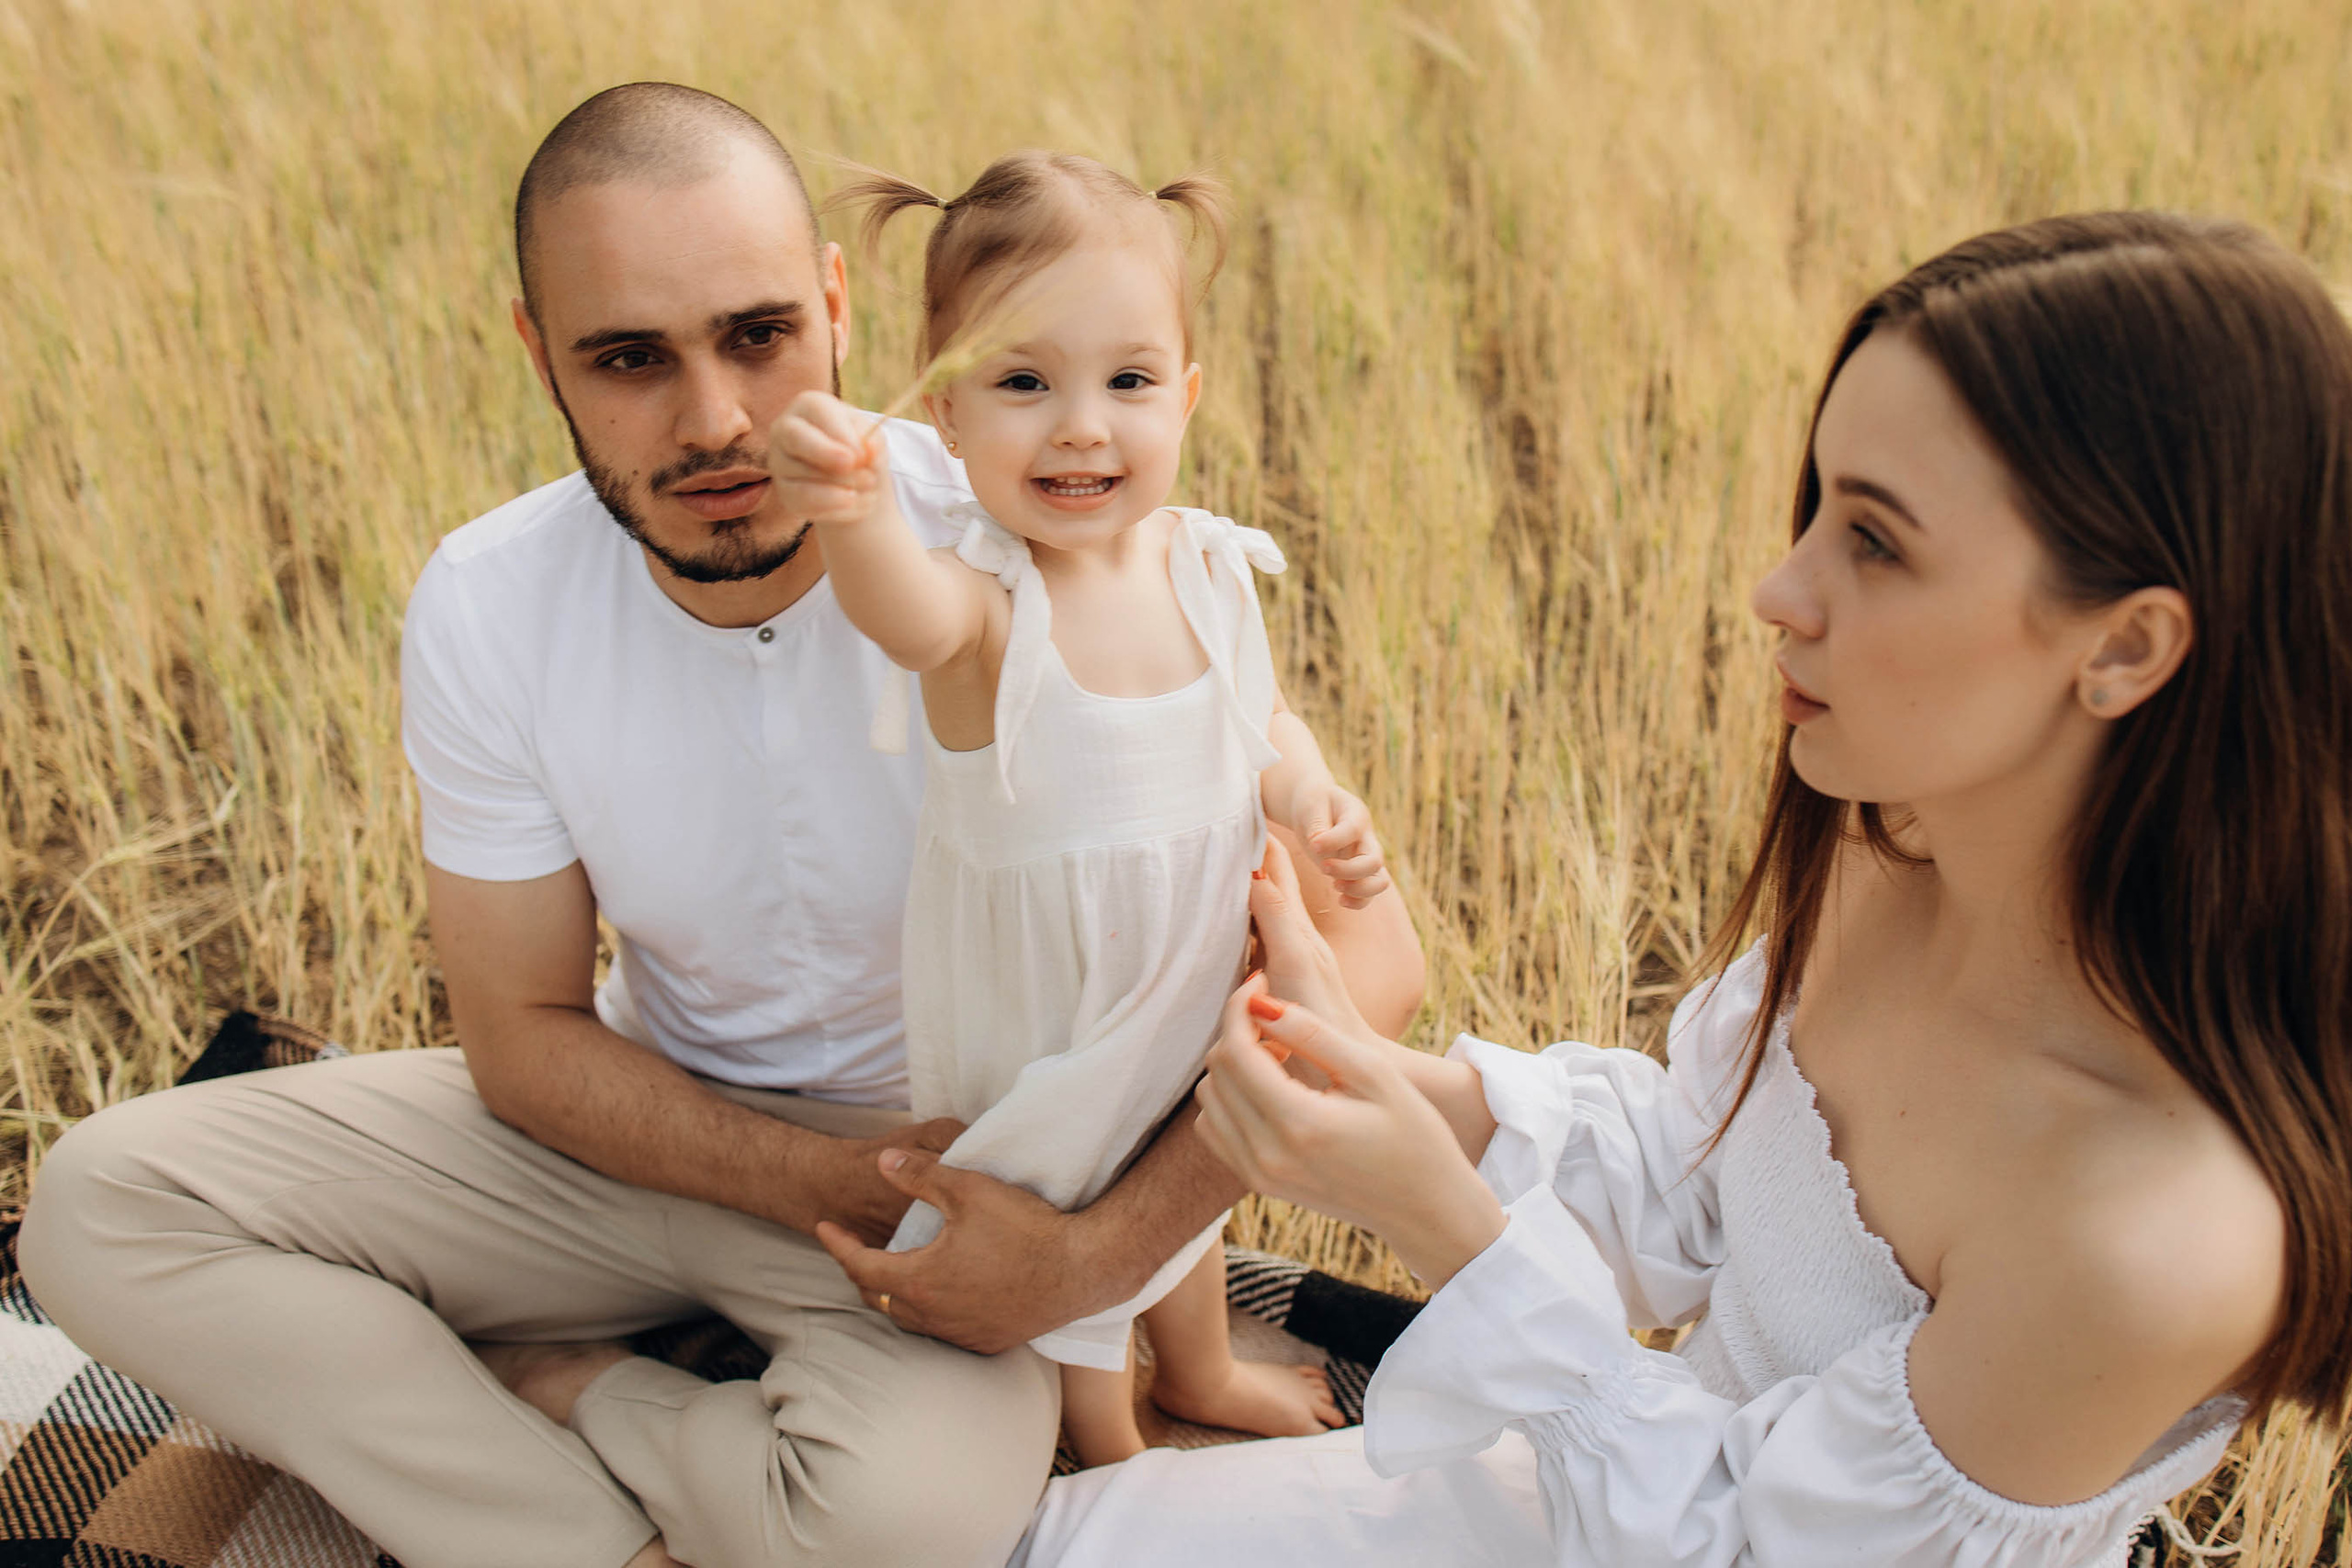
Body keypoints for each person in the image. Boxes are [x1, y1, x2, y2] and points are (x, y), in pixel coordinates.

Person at [16, 83, 1423, 1568]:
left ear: (836, 307)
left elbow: (1368, 963)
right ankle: (589, 1538)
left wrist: (1086, 1254)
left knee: (907, 1520)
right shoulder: (490, 601)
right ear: (541, 356)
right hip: (637, 1140)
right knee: (101, 1208)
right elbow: (523, 1038)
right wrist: (827, 1181)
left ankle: (565, 1389)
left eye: (758, 335)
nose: (715, 422)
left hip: (959, 1193)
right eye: (630, 358)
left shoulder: (1038, 526)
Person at [1014, 210, 2352, 1566]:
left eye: (1876, 542)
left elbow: (1748, 1552)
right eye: (1816, 509)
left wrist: (1442, 1221)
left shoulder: (2154, 1240)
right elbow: (1710, 1188)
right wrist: (1362, 1076)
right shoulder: (1899, 858)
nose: (1781, 590)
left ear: (2125, 647)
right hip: (1604, 1487)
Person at [768, 151, 1384, 1466]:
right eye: (1025, 383)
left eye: (1128, 382)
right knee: (1072, 1204)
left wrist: (1307, 792)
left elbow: (1257, 716)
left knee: (1176, 1185)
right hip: (1051, 1007)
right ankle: (1109, 1447)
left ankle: (1202, 1368)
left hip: (1193, 964)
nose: (1082, 427)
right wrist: (854, 515)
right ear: (945, 411)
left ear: (1188, 393)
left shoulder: (1205, 564)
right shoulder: (989, 606)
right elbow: (901, 614)